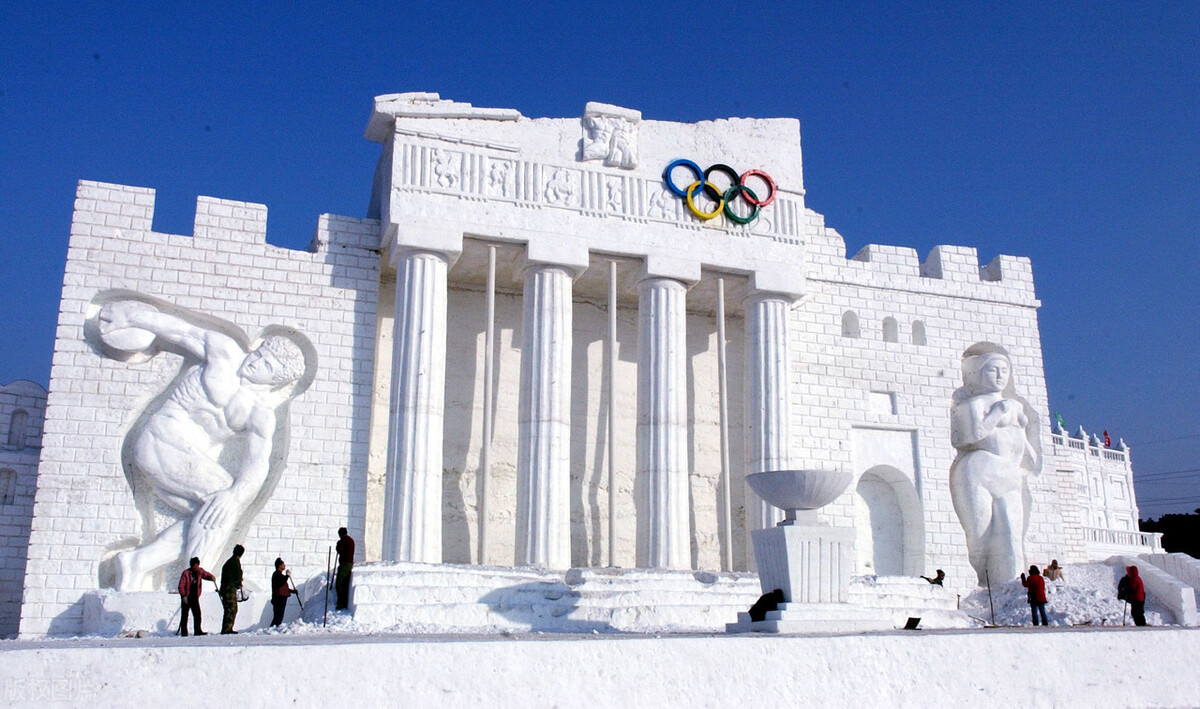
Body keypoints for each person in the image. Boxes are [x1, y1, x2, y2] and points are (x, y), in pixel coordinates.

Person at [95, 296, 311, 592]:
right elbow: (180, 331)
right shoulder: (225, 352)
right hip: (160, 438)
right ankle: (198, 583)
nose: (255, 362)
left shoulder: (259, 415)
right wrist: (132, 316)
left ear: (275, 380)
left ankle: (139, 563)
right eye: (259, 354)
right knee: (219, 502)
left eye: (266, 365)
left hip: (182, 459)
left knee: (215, 513)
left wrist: (235, 496)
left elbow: (257, 465)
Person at [948, 344, 1042, 586]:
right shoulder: (973, 405)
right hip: (979, 470)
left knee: (1012, 535)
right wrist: (996, 412)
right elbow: (970, 436)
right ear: (978, 374)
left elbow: (1022, 440)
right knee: (979, 536)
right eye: (992, 370)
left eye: (1004, 370)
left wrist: (1031, 453)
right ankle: (980, 581)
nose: (1000, 376)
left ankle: (1010, 584)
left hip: (1009, 476)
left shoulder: (1017, 406)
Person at [177, 557, 215, 637]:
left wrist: (211, 577)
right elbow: (181, 585)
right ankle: (184, 632)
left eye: (196, 565)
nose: (195, 567)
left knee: (197, 614)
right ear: (191, 565)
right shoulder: (186, 573)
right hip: (186, 597)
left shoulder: (200, 571)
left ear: (198, 565)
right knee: (184, 615)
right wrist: (183, 595)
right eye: (194, 565)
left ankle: (198, 630)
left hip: (194, 597)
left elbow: (206, 574)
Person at [219, 545, 245, 634]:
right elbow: (238, 575)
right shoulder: (235, 562)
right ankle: (227, 629)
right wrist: (239, 583)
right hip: (229, 589)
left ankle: (227, 628)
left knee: (228, 608)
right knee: (232, 608)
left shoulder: (229, 562)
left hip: (225, 588)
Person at [270, 558, 297, 627]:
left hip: (281, 597)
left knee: (279, 615)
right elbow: (280, 583)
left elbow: (284, 588)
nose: (284, 565)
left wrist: (292, 591)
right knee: (278, 615)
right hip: (278, 598)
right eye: (283, 564)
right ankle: (273, 628)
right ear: (279, 566)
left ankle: (274, 628)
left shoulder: (280, 575)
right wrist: (287, 576)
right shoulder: (276, 574)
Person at [336, 527, 355, 610]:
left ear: (341, 534)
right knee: (345, 583)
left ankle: (341, 602)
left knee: (340, 583)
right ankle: (343, 602)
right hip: (349, 563)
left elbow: (339, 550)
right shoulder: (351, 540)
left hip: (345, 563)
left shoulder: (343, 540)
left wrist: (338, 544)